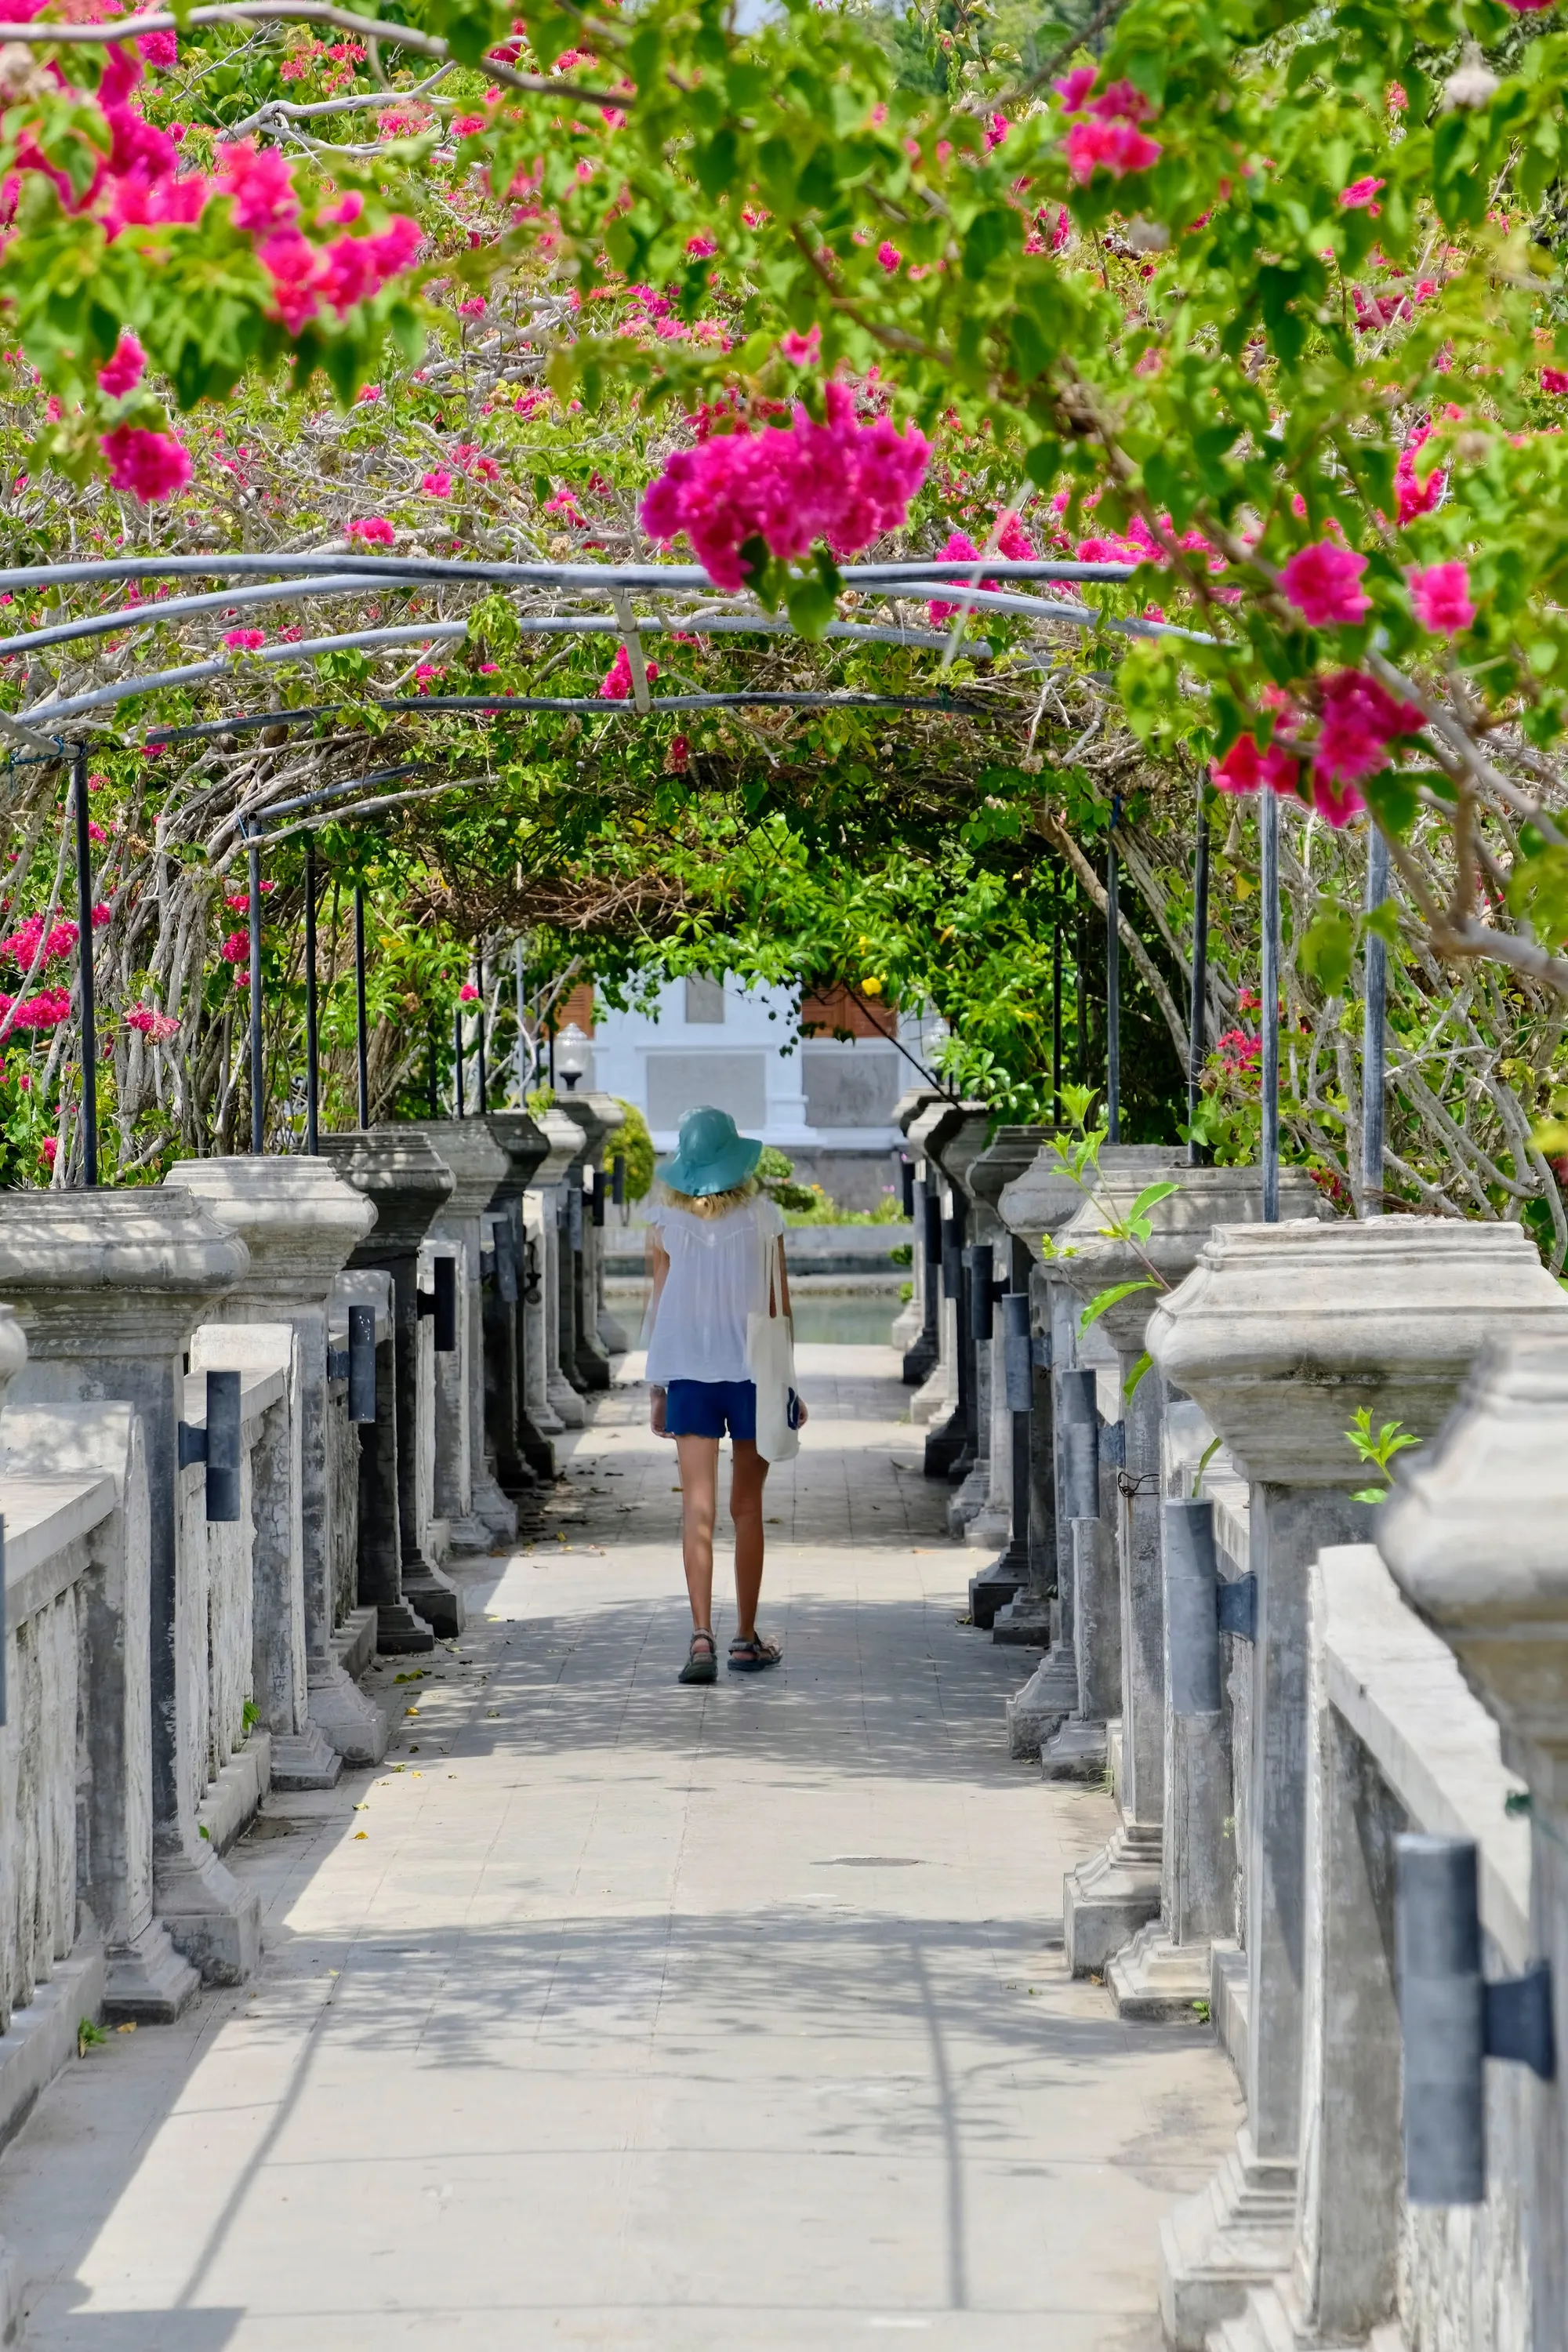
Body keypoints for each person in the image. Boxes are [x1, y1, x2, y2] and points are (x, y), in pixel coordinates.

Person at [644, 1104, 807, 1686]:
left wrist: (657, 1387)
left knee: (699, 1512)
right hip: (754, 1379)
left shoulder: (665, 1225)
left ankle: (700, 1638)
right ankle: (744, 1639)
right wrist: (790, 1385)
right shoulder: (765, 1219)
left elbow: (661, 1311)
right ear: (737, 1161)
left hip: (688, 1374)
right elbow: (779, 1309)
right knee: (747, 1510)